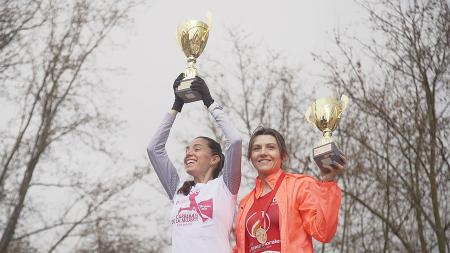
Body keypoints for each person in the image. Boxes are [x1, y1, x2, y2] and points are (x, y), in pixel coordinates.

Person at [147, 74, 242, 253]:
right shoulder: (178, 189)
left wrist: (209, 102)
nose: (189, 153)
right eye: (187, 149)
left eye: (197, 149)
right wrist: (176, 105)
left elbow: (235, 141)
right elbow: (154, 149)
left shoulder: (226, 186)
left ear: (215, 159)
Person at [233, 127, 346, 253]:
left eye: (270, 147)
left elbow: (323, 232)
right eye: (257, 148)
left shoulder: (299, 186)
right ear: (250, 157)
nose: (263, 152)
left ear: (284, 156)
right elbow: (240, 248)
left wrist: (328, 183)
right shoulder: (245, 203)